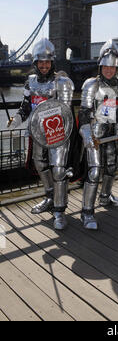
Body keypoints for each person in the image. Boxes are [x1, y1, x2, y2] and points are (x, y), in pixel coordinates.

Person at [7, 39, 74, 230]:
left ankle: (60, 211)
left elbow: (66, 112)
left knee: (59, 171)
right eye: (40, 62)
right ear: (35, 63)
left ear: (52, 63)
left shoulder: (63, 82)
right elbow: (26, 106)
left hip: (57, 132)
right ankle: (50, 197)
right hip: (37, 133)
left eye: (47, 62)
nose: (44, 66)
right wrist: (16, 120)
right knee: (40, 164)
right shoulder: (30, 82)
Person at [78, 39, 118, 230]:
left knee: (112, 167)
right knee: (94, 171)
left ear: (117, 68)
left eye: (112, 67)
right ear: (100, 66)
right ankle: (86, 211)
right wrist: (88, 136)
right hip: (95, 133)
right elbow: (83, 113)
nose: (109, 69)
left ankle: (106, 197)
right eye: (105, 66)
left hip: (113, 133)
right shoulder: (91, 84)